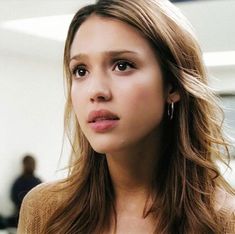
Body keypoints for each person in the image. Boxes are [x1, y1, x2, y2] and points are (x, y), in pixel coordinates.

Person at [18, 0, 235, 233]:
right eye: (81, 71)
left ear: (172, 86)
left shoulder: (225, 221)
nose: (96, 91)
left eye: (122, 65)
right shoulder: (44, 209)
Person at [9, 155, 41, 228]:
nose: (31, 166)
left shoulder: (38, 182)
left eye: (32, 163)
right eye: (29, 163)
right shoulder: (18, 182)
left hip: (36, 218)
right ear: (24, 165)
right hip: (21, 217)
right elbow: (14, 198)